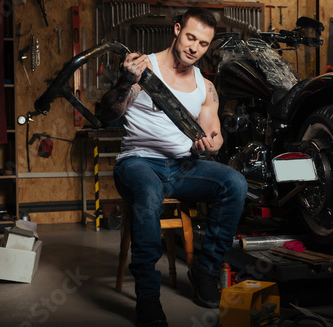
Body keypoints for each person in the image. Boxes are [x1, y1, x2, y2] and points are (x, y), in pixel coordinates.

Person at [99, 8, 248, 327]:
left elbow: (215, 134)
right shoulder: (144, 69)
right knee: (149, 192)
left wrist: (212, 143)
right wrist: (125, 83)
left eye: (204, 43)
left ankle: (205, 271)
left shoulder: (204, 86)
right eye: (191, 37)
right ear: (177, 30)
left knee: (234, 183)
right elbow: (109, 113)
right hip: (138, 164)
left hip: (183, 166)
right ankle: (148, 297)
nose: (195, 47)